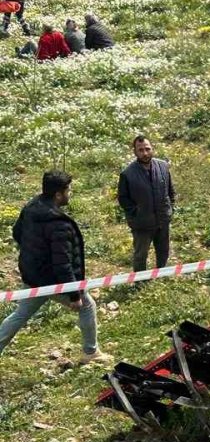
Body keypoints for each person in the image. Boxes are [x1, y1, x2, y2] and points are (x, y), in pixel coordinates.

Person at [0, 172, 109, 365]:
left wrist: (34, 255)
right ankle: (90, 353)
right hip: (53, 282)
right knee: (87, 306)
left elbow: (17, 233)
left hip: (33, 277)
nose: (70, 193)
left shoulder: (31, 207)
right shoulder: (59, 225)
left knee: (21, 314)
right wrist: (74, 294)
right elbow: (63, 264)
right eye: (68, 190)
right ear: (58, 194)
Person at [117, 135, 175, 272]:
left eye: (147, 149)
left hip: (162, 219)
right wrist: (136, 212)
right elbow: (123, 198)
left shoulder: (163, 166)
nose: (145, 153)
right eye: (141, 150)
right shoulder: (127, 174)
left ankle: (161, 274)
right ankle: (139, 281)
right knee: (140, 255)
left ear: (152, 149)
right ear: (135, 152)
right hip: (142, 223)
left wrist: (170, 208)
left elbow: (170, 190)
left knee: (163, 250)